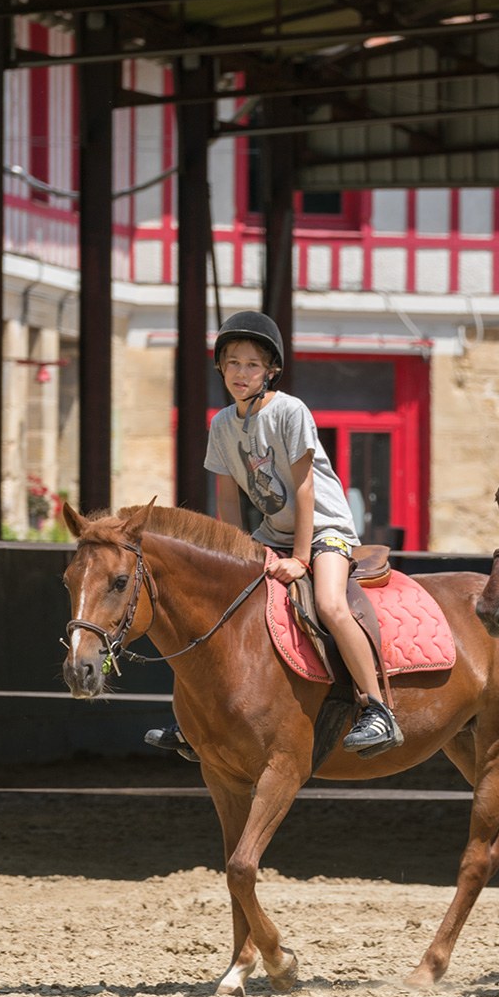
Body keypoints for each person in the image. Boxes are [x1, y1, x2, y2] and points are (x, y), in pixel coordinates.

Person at [146, 311, 402, 763]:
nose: (240, 373)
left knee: (329, 604)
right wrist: (230, 554)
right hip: (270, 533)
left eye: (251, 365)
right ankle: (194, 721)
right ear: (220, 368)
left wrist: (301, 559)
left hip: (323, 529)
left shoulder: (290, 410)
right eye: (232, 363)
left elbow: (304, 489)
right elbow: (227, 497)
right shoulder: (222, 423)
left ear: (270, 371)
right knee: (215, 606)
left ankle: (378, 708)